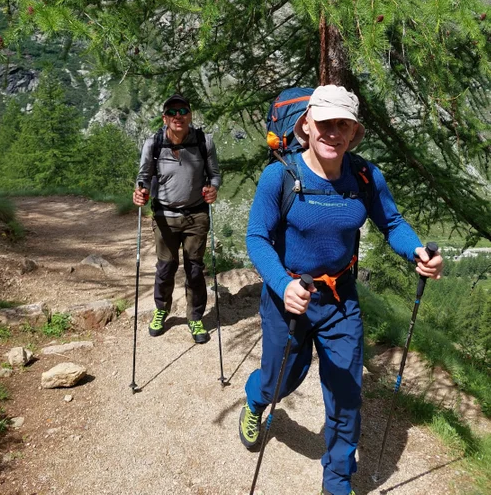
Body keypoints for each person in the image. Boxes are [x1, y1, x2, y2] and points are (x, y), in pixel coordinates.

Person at [239, 84, 443, 495]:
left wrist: (417, 250)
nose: (334, 132)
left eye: (343, 125)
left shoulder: (365, 176)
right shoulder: (280, 175)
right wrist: (282, 284)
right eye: (326, 123)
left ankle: (336, 482)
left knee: (346, 396)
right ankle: (256, 401)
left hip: (340, 300)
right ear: (306, 126)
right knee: (282, 380)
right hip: (288, 299)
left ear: (353, 133)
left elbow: (393, 223)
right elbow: (257, 238)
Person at [133, 94, 221, 344]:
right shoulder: (153, 143)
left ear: (190, 115)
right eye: (172, 112)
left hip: (196, 214)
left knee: (195, 269)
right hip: (164, 216)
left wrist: (213, 189)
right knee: (165, 267)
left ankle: (195, 317)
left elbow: (214, 175)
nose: (178, 116)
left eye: (183, 110)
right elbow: (144, 176)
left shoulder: (205, 141)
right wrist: (141, 192)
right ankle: (161, 310)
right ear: (165, 118)